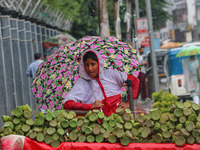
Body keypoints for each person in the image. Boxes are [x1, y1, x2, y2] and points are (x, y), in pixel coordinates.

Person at [63, 49, 139, 116]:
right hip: (98, 124)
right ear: (83, 66)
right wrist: (90, 106)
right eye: (86, 65)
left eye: (93, 64)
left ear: (99, 64)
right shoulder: (81, 83)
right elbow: (67, 103)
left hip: (120, 117)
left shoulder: (111, 75)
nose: (90, 69)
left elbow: (134, 81)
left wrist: (128, 103)